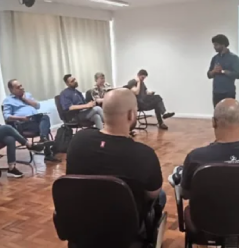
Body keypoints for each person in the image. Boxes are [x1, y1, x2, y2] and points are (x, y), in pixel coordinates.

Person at [66, 88, 165, 230]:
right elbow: (153, 194)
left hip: (80, 223)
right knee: (161, 195)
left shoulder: (77, 140)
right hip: (124, 228)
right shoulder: (144, 154)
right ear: (131, 114)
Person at [208, 34, 239, 108]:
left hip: (228, 92)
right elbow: (209, 75)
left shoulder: (234, 58)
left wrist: (223, 71)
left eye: (216, 45)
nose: (214, 47)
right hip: (216, 92)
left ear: (223, 45)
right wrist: (214, 71)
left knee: (228, 113)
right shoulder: (215, 58)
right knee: (217, 112)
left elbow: (237, 75)